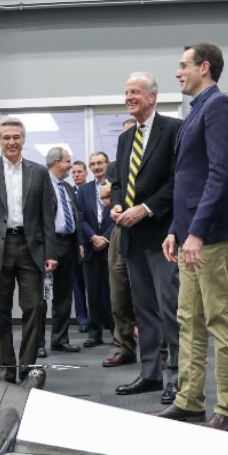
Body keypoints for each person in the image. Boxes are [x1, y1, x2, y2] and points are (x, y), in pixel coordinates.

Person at [158, 43, 228, 432]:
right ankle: (190, 401)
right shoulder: (195, 111)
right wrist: (176, 230)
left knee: (220, 320)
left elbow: (220, 174)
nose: (178, 73)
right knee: (189, 320)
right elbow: (187, 181)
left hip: (212, 236)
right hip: (191, 236)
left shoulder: (220, 106)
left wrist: (195, 231)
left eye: (183, 66)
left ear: (204, 67)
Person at [110, 73, 182, 404]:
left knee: (171, 310)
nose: (129, 97)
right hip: (132, 238)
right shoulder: (126, 139)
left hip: (162, 236)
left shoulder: (172, 129)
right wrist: (119, 205)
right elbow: (120, 183)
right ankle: (150, 373)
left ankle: (176, 376)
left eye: (135, 92)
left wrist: (146, 208)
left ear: (152, 97)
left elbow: (177, 180)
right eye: (126, 92)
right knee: (144, 310)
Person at [0, 118, 57, 383]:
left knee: (34, 307)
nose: (11, 142)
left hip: (31, 248)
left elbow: (48, 214)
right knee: (0, 312)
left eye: (16, 137)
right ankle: (7, 368)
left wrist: (50, 252)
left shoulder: (39, 172)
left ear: (23, 140)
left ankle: (27, 365)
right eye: (6, 137)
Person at [102, 118, 138, 368]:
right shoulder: (115, 165)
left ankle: (162, 350)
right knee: (118, 294)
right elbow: (113, 190)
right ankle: (124, 347)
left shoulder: (152, 158)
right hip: (120, 230)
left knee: (151, 296)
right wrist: (116, 205)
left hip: (149, 229)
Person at [44, 147, 83, 353]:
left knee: (64, 295)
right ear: (58, 162)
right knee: (41, 297)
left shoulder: (67, 188)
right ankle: (38, 343)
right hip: (47, 246)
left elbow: (76, 216)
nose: (71, 165)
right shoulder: (41, 183)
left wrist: (79, 242)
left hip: (68, 245)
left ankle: (59, 339)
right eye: (69, 161)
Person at [76, 151, 115, 347]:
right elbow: (80, 218)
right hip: (91, 248)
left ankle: (118, 333)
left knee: (115, 293)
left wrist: (105, 238)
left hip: (112, 248)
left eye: (100, 163)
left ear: (107, 164)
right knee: (92, 292)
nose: (96, 167)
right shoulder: (83, 190)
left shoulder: (116, 187)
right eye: (93, 164)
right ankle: (94, 333)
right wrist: (93, 237)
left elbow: (120, 215)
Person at [70, 160, 90, 334]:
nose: (76, 175)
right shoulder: (69, 192)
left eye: (79, 172)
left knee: (95, 285)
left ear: (86, 173)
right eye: (74, 172)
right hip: (75, 245)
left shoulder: (93, 191)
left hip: (92, 244)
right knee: (77, 285)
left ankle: (101, 318)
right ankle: (82, 319)